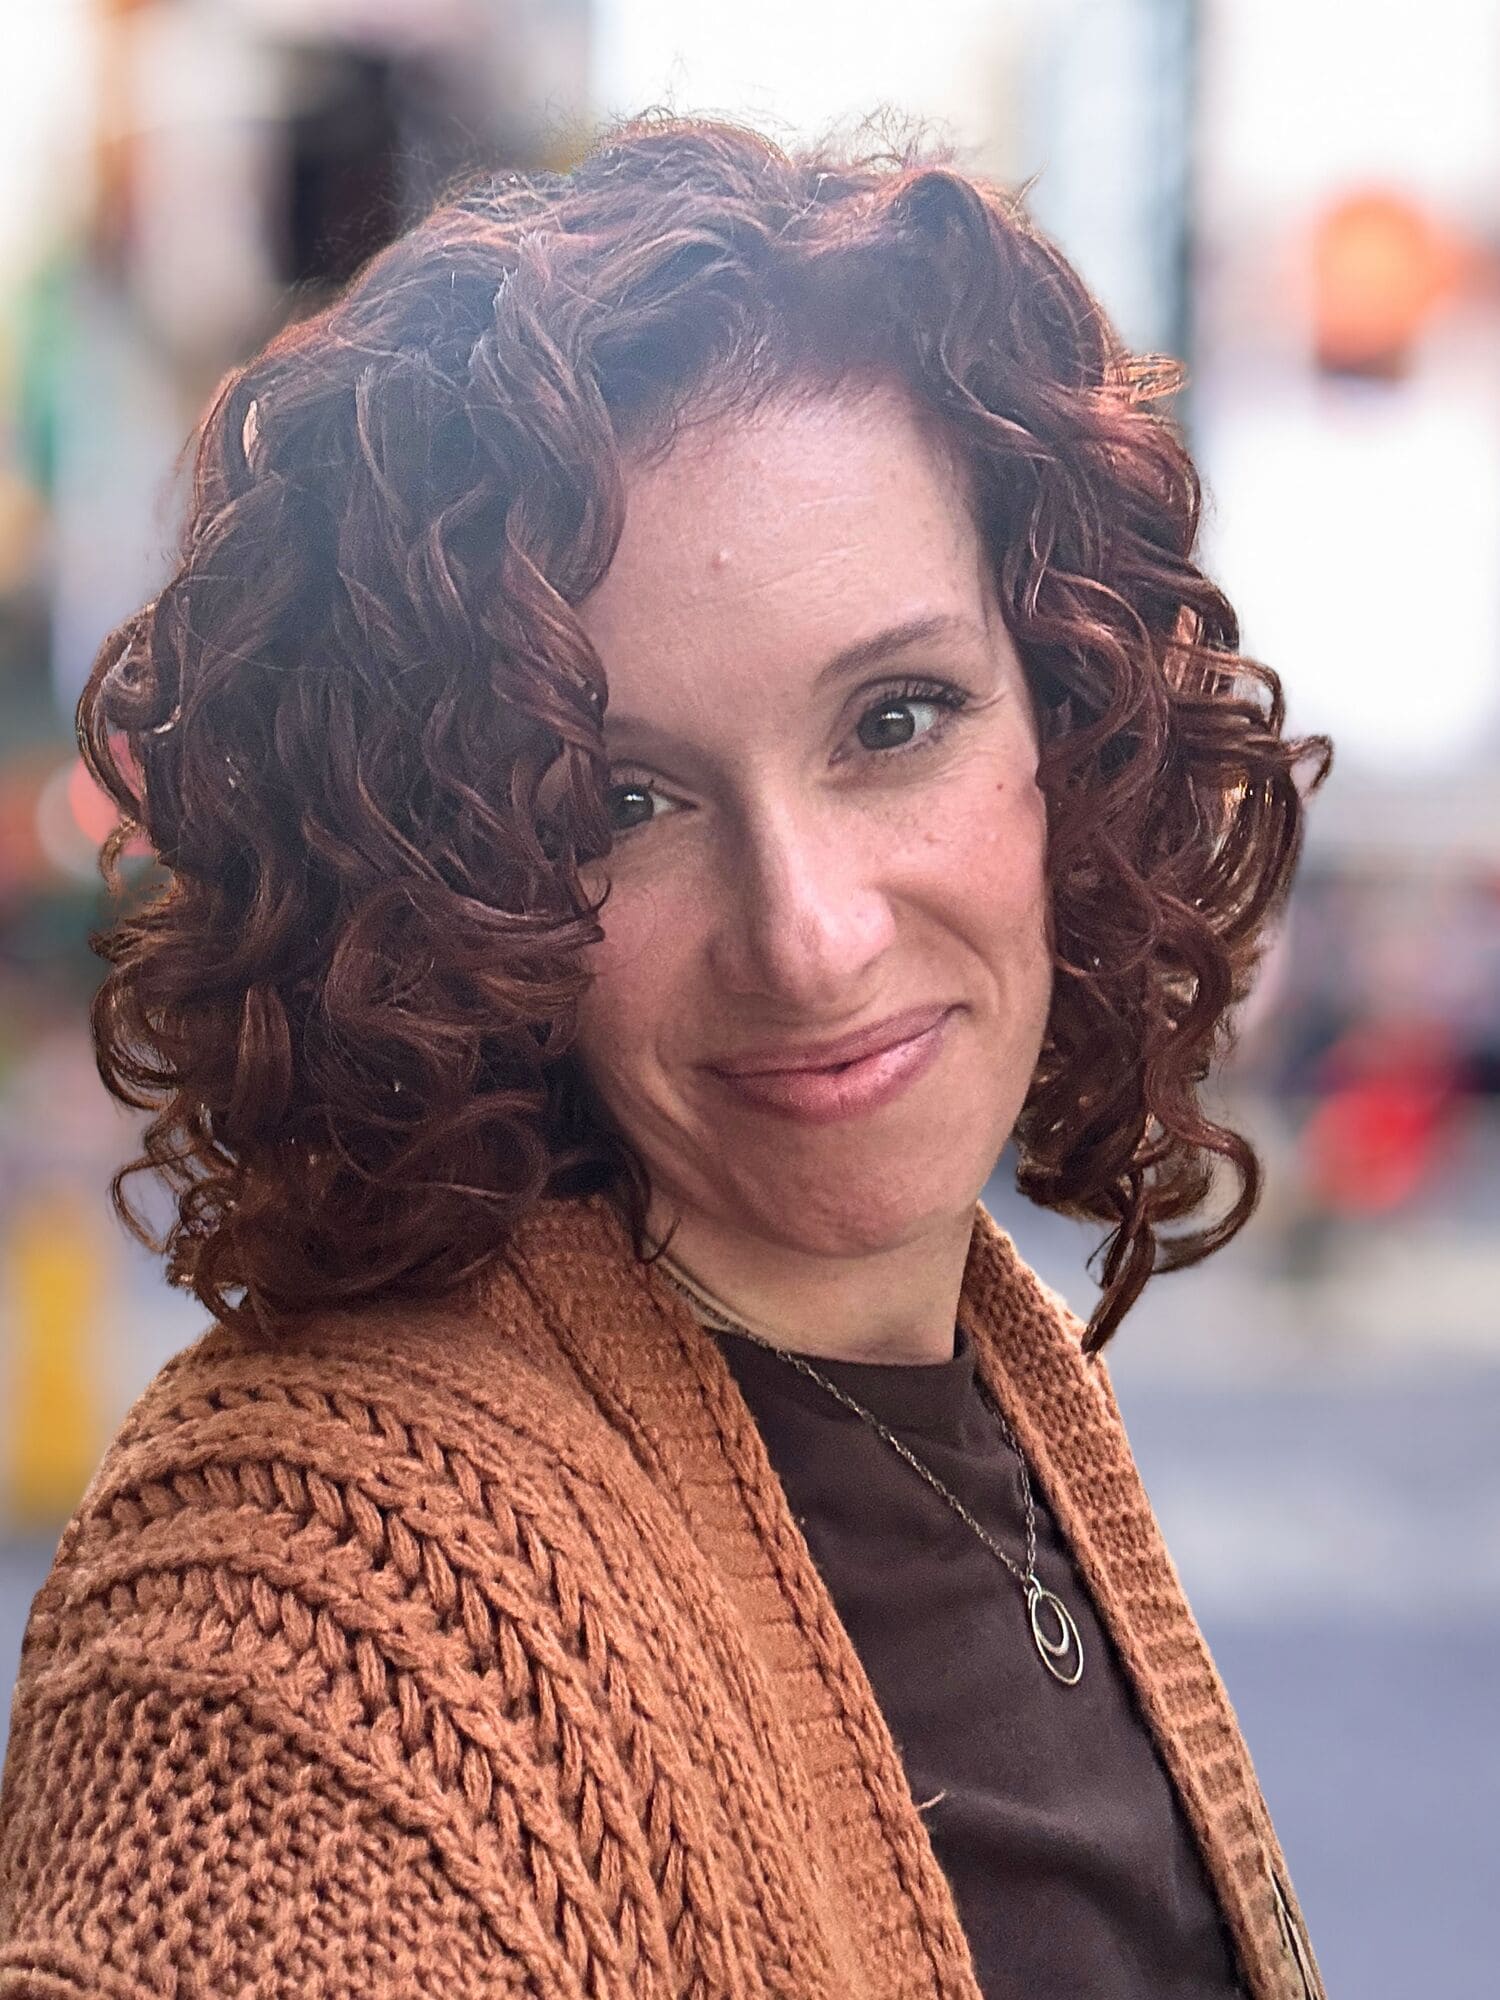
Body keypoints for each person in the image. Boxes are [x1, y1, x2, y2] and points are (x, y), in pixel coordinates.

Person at [0, 116, 1331, 2000]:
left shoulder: (992, 1372)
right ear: (442, 869)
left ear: (1073, 710)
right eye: (623, 798)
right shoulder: (309, 1609)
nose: (812, 932)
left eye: (896, 717)